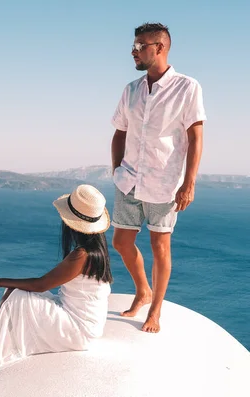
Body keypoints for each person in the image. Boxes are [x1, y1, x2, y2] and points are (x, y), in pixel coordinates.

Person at [0, 184, 113, 382]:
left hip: (78, 330)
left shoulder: (81, 255)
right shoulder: (97, 250)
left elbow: (42, 284)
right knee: (17, 294)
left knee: (13, 296)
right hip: (86, 325)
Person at [111, 22, 206, 333]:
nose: (134, 51)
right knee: (121, 242)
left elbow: (195, 137)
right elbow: (119, 133)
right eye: (135, 45)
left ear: (160, 48)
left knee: (159, 247)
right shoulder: (131, 90)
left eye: (140, 45)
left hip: (164, 186)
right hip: (128, 181)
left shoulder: (187, 88)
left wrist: (189, 184)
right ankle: (142, 290)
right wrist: (116, 171)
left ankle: (155, 311)